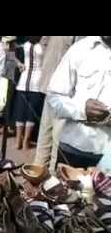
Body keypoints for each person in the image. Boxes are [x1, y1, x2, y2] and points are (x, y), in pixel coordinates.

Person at [48, 36, 111, 168]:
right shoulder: (80, 49)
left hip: (108, 159)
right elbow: (54, 98)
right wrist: (82, 110)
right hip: (74, 150)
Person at [34, 36, 85, 170]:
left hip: (61, 91)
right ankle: (40, 176)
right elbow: (42, 45)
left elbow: (43, 44)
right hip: (58, 89)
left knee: (52, 138)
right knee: (50, 138)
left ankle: (45, 177)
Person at [13, 36, 45, 150]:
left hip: (37, 81)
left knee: (31, 111)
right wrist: (19, 64)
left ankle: (26, 139)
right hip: (24, 79)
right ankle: (18, 139)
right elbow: (8, 51)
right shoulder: (25, 44)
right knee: (20, 110)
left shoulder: (43, 45)